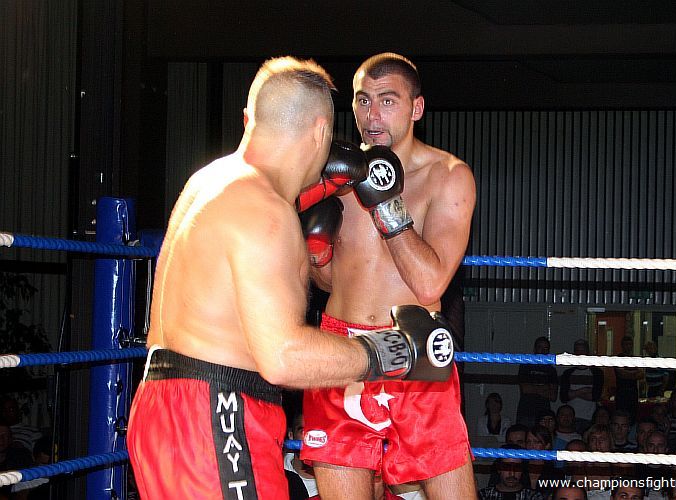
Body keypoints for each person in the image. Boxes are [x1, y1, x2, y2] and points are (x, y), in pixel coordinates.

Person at [126, 56, 457, 500]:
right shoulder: (266, 212)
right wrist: (390, 349)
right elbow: (283, 358)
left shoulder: (210, 181)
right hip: (218, 415)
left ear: (250, 119)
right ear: (321, 132)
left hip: (163, 407)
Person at [300, 52, 476, 499]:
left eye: (387, 100)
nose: (372, 115)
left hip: (416, 351)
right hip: (342, 350)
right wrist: (317, 257)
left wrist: (384, 202)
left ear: (416, 108)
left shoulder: (448, 176)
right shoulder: (333, 176)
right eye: (363, 100)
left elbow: (430, 283)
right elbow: (332, 284)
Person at [560, 339, 604, 434]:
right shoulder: (568, 373)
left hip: (590, 418)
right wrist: (584, 390)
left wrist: (573, 393)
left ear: (587, 353)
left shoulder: (597, 373)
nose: (579, 354)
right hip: (571, 419)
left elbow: (595, 396)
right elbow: (563, 397)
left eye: (582, 351)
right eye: (577, 351)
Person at [517, 336, 559, 429]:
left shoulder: (551, 370)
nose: (543, 351)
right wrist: (544, 388)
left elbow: (553, 396)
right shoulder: (525, 366)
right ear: (535, 349)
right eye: (540, 347)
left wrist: (534, 388)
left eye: (546, 348)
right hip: (526, 413)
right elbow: (525, 389)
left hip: (544, 416)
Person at [614, 336, 643, 421]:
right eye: (626, 344)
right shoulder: (618, 358)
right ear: (622, 345)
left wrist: (627, 373)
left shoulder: (634, 359)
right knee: (621, 414)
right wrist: (634, 373)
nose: (628, 346)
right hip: (622, 392)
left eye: (630, 344)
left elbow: (641, 374)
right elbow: (621, 374)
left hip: (633, 392)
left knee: (632, 415)